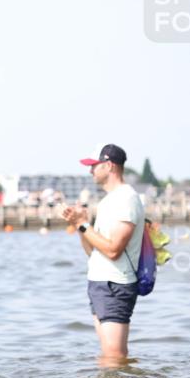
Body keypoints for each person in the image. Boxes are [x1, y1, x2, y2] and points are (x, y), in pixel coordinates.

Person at [61, 144, 144, 365]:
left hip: (115, 284)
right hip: (99, 282)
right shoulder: (108, 201)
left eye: (93, 166)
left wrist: (83, 223)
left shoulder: (126, 199)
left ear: (109, 166)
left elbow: (113, 250)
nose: (90, 171)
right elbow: (93, 252)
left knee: (114, 356)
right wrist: (80, 225)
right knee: (108, 356)